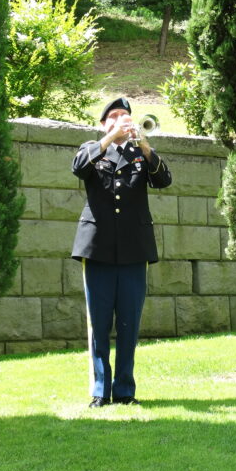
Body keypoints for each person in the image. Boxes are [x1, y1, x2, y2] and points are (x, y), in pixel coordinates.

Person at [71, 97, 172, 408]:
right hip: (98, 247)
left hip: (133, 250)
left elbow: (163, 180)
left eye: (125, 116)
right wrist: (109, 138)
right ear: (103, 123)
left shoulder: (140, 152)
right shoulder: (92, 147)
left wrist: (145, 146)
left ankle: (125, 391)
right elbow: (78, 168)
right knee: (99, 324)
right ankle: (100, 392)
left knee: (129, 323)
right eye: (114, 116)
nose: (121, 120)